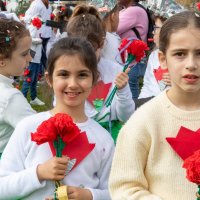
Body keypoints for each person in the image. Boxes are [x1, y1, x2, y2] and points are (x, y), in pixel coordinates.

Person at [0, 37, 114, 199]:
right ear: (49, 79)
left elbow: (114, 192)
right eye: (63, 74)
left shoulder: (103, 140)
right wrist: (38, 173)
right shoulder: (28, 127)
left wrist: (90, 195)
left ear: (94, 79)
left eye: (82, 75)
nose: (73, 84)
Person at [109, 11, 200, 199]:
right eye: (180, 54)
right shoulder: (144, 120)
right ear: (162, 60)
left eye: (199, 54)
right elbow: (124, 187)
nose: (191, 64)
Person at [66, 4, 135, 142]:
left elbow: (126, 116)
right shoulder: (65, 73)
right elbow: (61, 111)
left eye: (91, 50)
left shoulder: (115, 71)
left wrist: (122, 91)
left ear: (102, 43)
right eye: (79, 51)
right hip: (75, 137)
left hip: (109, 137)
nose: (86, 58)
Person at [0, 18, 36, 157]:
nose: (30, 59)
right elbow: (38, 131)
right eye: (24, 54)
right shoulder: (10, 98)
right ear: (2, 60)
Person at [117, 0, 149, 100]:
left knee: (128, 93)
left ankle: (134, 114)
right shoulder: (127, 10)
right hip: (129, 61)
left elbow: (111, 29)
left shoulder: (134, 11)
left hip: (131, 62)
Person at [136, 15, 170, 108]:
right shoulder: (154, 56)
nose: (152, 32)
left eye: (155, 28)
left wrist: (178, 83)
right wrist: (140, 105)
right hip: (150, 106)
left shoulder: (187, 61)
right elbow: (147, 85)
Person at [24, 0, 53, 77]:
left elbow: (30, 19)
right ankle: (40, 73)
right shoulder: (47, 4)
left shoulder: (36, 3)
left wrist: (23, 18)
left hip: (38, 32)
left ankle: (36, 74)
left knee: (36, 55)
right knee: (40, 55)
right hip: (46, 32)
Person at [21, 16, 45, 106]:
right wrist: (39, 40)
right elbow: (29, 40)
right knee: (29, 79)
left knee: (33, 80)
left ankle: (33, 98)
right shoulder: (33, 28)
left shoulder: (34, 28)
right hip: (33, 58)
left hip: (36, 58)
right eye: (41, 23)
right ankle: (22, 99)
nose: (42, 25)